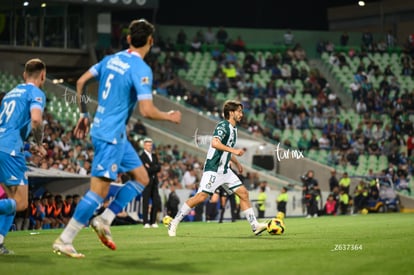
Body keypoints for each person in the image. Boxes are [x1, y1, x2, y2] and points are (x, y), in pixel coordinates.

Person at [52, 18, 181, 258]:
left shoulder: (111, 59)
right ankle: (65, 239)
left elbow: (81, 81)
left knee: (142, 178)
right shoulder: (141, 69)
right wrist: (169, 116)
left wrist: (83, 114)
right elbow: (146, 111)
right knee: (98, 192)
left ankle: (105, 219)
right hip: (110, 135)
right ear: (150, 41)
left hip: (114, 133)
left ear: (129, 39)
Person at [167, 100, 267, 237]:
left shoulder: (233, 129)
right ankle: (174, 222)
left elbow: (225, 151)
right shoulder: (223, 126)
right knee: (201, 197)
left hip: (225, 171)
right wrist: (234, 150)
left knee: (243, 193)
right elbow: (215, 143)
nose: (241, 114)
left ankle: (255, 226)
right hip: (213, 168)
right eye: (239, 111)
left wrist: (237, 163)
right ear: (231, 113)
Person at [0, 58, 47, 255]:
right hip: (9, 151)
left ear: (23, 74)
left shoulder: (10, 94)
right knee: (20, 203)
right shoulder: (35, 92)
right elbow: (36, 120)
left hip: (5, 146)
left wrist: (28, 146)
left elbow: (9, 127)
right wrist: (38, 143)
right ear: (42, 76)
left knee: (10, 199)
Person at [139, 137, 162, 228]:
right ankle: (145, 222)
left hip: (154, 181)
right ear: (144, 146)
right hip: (146, 181)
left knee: (156, 201)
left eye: (151, 145)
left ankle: (153, 221)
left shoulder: (154, 156)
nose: (150, 147)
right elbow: (145, 170)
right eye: (148, 145)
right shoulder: (142, 157)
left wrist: (151, 167)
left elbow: (158, 167)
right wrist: (154, 167)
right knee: (146, 201)